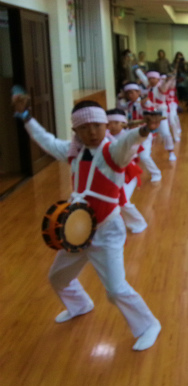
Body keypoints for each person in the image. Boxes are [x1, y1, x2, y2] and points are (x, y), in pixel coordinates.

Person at [12, 96, 162, 351]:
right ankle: (80, 304)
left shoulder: (113, 152)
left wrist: (145, 130)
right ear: (76, 130)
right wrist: (26, 117)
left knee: (115, 290)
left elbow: (129, 141)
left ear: (105, 125)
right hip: (78, 231)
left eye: (97, 125)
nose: (92, 132)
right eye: (84, 127)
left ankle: (149, 325)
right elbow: (46, 140)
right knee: (58, 278)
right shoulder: (74, 153)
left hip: (107, 232)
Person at [106, 108, 147, 234]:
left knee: (122, 201)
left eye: (116, 123)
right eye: (109, 123)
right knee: (113, 201)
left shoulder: (129, 137)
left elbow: (131, 154)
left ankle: (139, 222)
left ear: (123, 123)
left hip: (128, 173)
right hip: (112, 174)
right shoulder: (104, 138)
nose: (112, 126)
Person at [121, 83, 162, 183]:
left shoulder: (144, 103)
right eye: (128, 93)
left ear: (138, 92)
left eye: (132, 92)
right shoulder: (129, 104)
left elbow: (150, 109)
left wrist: (145, 104)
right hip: (132, 133)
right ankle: (127, 175)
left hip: (144, 133)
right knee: (127, 155)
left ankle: (156, 173)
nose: (130, 95)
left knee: (144, 156)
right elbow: (121, 107)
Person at [145, 72, 177, 161]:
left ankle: (171, 151)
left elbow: (165, 85)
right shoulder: (148, 88)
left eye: (153, 78)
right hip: (149, 113)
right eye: (149, 78)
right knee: (147, 134)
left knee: (166, 133)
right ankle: (146, 151)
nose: (151, 80)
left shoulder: (160, 87)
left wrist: (168, 79)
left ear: (158, 79)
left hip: (160, 113)